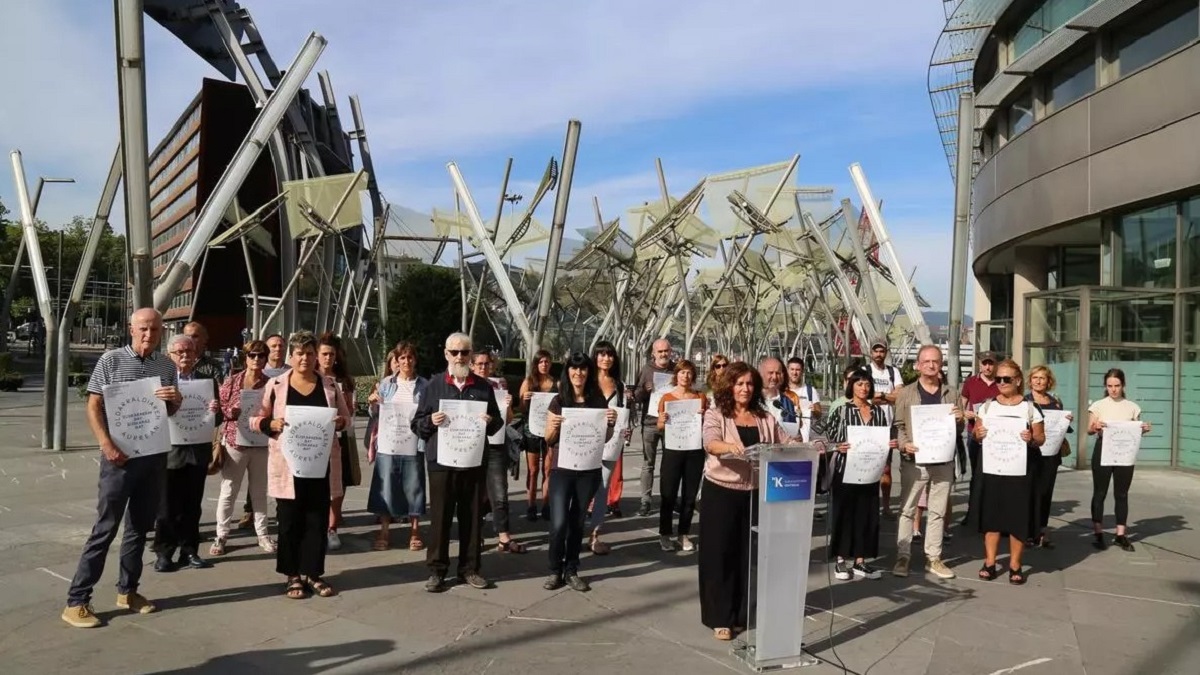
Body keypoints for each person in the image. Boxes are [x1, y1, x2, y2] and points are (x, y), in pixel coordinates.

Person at [61, 308, 182, 628]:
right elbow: (93, 405)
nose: (149, 334)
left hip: (153, 458)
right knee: (105, 528)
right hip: (119, 459)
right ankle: (77, 600)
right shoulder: (111, 360)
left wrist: (175, 400)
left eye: (155, 329)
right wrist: (106, 445)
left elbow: (167, 412)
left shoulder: (167, 365)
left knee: (139, 529)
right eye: (143, 328)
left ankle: (128, 591)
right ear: (131, 328)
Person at [251, 330, 351, 599]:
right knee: (289, 521)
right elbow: (255, 418)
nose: (305, 358)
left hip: (320, 464)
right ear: (290, 356)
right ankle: (292, 574)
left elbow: (346, 417)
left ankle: (313, 573)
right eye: (299, 353)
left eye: (309, 353)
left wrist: (341, 423)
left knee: (317, 520)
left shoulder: (329, 386)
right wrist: (268, 424)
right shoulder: (275, 386)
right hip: (288, 465)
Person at [699, 362, 788, 641]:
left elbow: (785, 442)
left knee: (745, 555)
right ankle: (720, 617)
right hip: (721, 491)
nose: (745, 389)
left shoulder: (764, 417)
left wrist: (817, 447)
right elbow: (711, 443)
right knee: (719, 554)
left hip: (753, 492)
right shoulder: (716, 414)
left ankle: (739, 614)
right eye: (739, 383)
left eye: (750, 384)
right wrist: (730, 446)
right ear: (729, 386)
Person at [412, 333, 503, 593]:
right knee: (440, 518)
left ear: (471, 354)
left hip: (473, 463)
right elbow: (416, 425)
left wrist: (490, 421)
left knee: (473, 518)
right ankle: (437, 571)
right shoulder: (433, 386)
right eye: (455, 352)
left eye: (465, 352)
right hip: (441, 463)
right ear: (446, 354)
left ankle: (470, 569)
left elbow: (497, 423)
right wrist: (431, 421)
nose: (460, 357)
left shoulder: (483, 387)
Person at [543, 353, 617, 592]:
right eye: (574, 370)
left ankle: (572, 569)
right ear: (568, 372)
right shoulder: (558, 400)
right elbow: (548, 439)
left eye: (583, 369)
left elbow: (603, 438)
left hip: (588, 470)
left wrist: (611, 424)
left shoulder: (597, 400)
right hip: (562, 469)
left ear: (589, 373)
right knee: (559, 523)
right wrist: (553, 428)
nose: (579, 374)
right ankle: (555, 570)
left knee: (577, 522)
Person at [971, 360, 1045, 585]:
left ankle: (1015, 564)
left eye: (1007, 379)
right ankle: (990, 562)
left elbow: (1041, 439)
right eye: (998, 379)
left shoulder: (1030, 408)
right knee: (991, 518)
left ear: (1018, 380)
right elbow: (976, 434)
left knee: (1018, 518)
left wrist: (1031, 438)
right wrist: (979, 433)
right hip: (993, 469)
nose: (1001, 383)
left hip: (1020, 471)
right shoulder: (987, 406)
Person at [892, 345, 963, 579]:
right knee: (907, 509)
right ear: (918, 365)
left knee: (938, 512)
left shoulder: (952, 393)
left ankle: (934, 558)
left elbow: (957, 429)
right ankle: (903, 556)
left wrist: (960, 420)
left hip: (943, 461)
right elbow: (899, 426)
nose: (932, 365)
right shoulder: (906, 393)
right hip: (915, 460)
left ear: (941, 364)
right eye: (927, 361)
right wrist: (904, 444)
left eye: (936, 361)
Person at [154, 334, 222, 572]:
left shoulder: (207, 381)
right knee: (166, 507)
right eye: (179, 352)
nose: (185, 356)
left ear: (196, 355)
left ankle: (189, 551)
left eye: (190, 352)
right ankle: (164, 552)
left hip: (197, 451)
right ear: (169, 355)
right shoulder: (161, 382)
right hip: (170, 452)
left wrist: (215, 410)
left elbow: (218, 419)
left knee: (193, 505)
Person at [826, 368, 892, 581]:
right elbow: (829, 438)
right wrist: (839, 446)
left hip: (870, 471)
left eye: (867, 384)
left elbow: (883, 438)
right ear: (851, 386)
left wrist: (889, 445)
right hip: (846, 470)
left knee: (867, 514)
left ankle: (860, 561)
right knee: (844, 513)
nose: (864, 388)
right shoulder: (842, 411)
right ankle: (840, 560)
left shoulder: (878, 412)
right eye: (859, 384)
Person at [212, 340, 274, 556]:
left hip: (260, 443)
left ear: (266, 358)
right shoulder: (232, 381)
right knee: (228, 490)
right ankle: (221, 535)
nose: (256, 359)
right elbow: (219, 407)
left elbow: (277, 411)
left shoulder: (272, 384)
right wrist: (232, 411)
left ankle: (263, 534)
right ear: (245, 358)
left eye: (261, 355)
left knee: (259, 492)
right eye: (252, 355)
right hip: (235, 443)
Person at [365, 342, 429, 552]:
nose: (406, 362)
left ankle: (415, 531)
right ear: (397, 361)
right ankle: (384, 531)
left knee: (414, 487)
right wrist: (372, 402)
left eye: (410, 357)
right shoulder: (386, 384)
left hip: (413, 444)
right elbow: (376, 414)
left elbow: (427, 413)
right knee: (386, 487)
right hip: (388, 443)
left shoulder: (424, 385)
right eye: (402, 358)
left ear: (415, 359)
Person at [1088, 368, 1151, 552]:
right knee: (1100, 492)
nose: (1113, 389)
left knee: (1122, 494)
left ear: (1123, 385)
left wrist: (1143, 429)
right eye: (1109, 386)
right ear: (1105, 386)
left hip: (1125, 452)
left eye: (1117, 385)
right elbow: (1089, 430)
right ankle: (1098, 532)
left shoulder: (1132, 407)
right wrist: (1095, 426)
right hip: (1103, 450)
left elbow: (1135, 430)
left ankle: (1120, 534)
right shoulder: (1098, 405)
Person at [470, 350, 526, 554]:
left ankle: (504, 536)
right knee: (475, 493)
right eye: (479, 364)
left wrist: (509, 407)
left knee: (499, 491)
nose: (483, 367)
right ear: (472, 366)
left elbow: (508, 419)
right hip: (473, 444)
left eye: (486, 363)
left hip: (495, 443)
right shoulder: (467, 385)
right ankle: (475, 535)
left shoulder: (499, 384)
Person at [656, 360, 708, 553]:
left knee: (689, 495)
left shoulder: (700, 397)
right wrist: (662, 421)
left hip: (694, 450)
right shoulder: (667, 398)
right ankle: (665, 534)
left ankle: (683, 533)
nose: (685, 376)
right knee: (668, 493)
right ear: (676, 375)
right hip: (673, 450)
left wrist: (702, 416)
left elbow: (706, 424)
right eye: (682, 372)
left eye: (689, 373)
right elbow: (660, 427)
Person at [317, 332, 359, 551]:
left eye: (332, 354)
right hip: (314, 438)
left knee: (338, 484)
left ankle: (332, 527)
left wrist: (342, 414)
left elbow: (350, 412)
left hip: (339, 438)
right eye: (324, 353)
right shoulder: (308, 377)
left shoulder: (343, 380)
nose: (328, 358)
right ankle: (318, 526)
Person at [587, 340, 629, 554]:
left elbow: (622, 414)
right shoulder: (586, 380)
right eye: (602, 354)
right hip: (586, 442)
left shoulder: (619, 385)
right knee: (582, 488)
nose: (606, 358)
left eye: (610, 354)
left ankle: (594, 535)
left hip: (611, 443)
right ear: (595, 356)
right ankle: (574, 532)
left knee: (603, 487)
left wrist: (625, 429)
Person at [1026, 365, 1072, 549]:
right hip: (1031, 453)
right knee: (1030, 492)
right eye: (1035, 377)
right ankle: (1029, 532)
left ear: (1048, 381)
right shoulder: (1025, 402)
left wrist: (1067, 420)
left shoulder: (1056, 402)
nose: (1038, 381)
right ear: (1030, 381)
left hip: (1051, 455)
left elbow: (1062, 429)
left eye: (1042, 378)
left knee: (1046, 493)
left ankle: (1042, 531)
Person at [634, 338, 675, 517]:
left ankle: (668, 499)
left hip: (671, 422)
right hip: (650, 423)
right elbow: (636, 395)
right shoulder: (646, 370)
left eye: (666, 351)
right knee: (648, 464)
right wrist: (644, 389)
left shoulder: (677, 370)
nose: (664, 354)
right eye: (660, 351)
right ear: (653, 353)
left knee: (669, 465)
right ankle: (645, 501)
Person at [960, 351, 1000, 525]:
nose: (987, 367)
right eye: (984, 363)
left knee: (995, 475)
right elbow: (961, 405)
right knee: (977, 473)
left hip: (996, 435)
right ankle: (973, 512)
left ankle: (993, 514)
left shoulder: (1001, 383)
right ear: (980, 364)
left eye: (990, 363)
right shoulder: (971, 382)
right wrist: (964, 413)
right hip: (974, 432)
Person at [866, 339, 904, 518]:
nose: (879, 354)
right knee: (868, 466)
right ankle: (870, 504)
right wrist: (887, 396)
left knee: (886, 468)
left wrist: (880, 395)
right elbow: (864, 396)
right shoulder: (865, 371)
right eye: (876, 351)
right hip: (867, 425)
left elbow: (900, 396)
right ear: (870, 352)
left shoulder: (893, 371)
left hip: (887, 425)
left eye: (882, 351)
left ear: (886, 352)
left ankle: (886, 506)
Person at [520, 349, 557, 521]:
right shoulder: (529, 382)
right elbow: (520, 408)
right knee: (533, 470)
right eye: (541, 361)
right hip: (532, 430)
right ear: (536, 364)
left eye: (547, 361)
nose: (544, 364)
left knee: (548, 469)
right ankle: (531, 505)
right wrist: (524, 399)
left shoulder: (556, 383)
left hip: (549, 430)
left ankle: (546, 504)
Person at [759, 357, 801, 429]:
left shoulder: (788, 403)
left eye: (778, 373)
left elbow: (792, 431)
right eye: (770, 373)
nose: (774, 377)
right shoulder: (752, 400)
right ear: (761, 374)